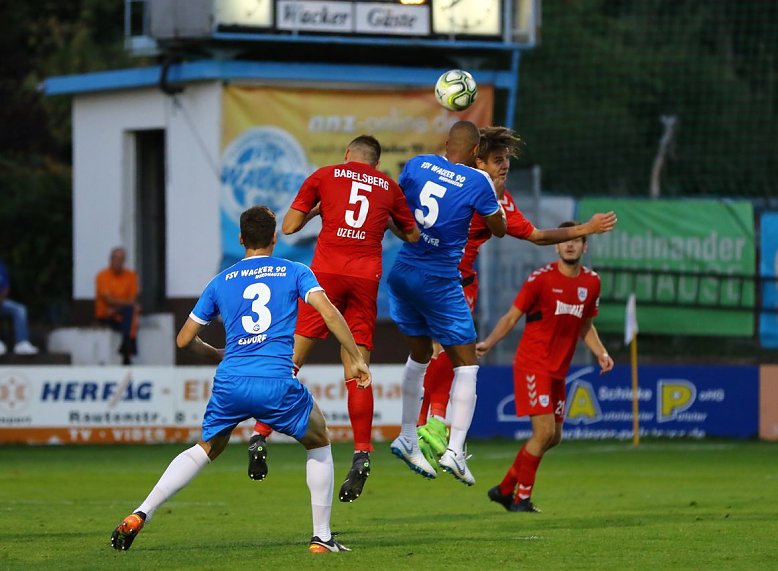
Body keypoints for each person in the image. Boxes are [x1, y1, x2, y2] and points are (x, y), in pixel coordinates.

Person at [110, 205, 370, 553]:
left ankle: (141, 512)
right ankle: (321, 537)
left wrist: (217, 354)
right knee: (319, 440)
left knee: (206, 448)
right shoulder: (294, 271)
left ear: (241, 238)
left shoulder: (221, 281)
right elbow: (329, 312)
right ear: (274, 237)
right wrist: (355, 357)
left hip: (231, 381)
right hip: (275, 381)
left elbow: (184, 340)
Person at [415, 126, 617, 462]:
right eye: (497, 160)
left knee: (444, 353)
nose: (505, 165)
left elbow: (536, 235)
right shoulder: (468, 184)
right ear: (479, 161)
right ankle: (431, 425)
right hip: (442, 276)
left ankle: (428, 428)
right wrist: (586, 228)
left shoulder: (499, 196)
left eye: (506, 159)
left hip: (456, 278)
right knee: (453, 352)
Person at [248, 135, 419, 502]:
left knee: (291, 361)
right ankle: (361, 454)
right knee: (357, 369)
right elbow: (413, 234)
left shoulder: (325, 175)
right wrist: (387, 221)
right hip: (364, 278)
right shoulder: (388, 187)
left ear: (347, 155)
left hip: (324, 276)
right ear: (375, 162)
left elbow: (290, 227)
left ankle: (260, 435)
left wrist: (319, 210)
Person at [387, 120, 507, 486]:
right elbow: (499, 228)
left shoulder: (417, 164)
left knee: (420, 355)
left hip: (403, 271)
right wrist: (494, 197)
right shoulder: (477, 181)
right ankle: (455, 449)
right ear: (475, 154)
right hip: (439, 279)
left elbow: (396, 214)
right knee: (467, 366)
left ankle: (408, 435)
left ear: (444, 143)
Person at [476, 221, 614, 512]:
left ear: (584, 246)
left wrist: (601, 352)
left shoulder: (592, 282)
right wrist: (489, 342)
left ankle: (503, 488)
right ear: (557, 245)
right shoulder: (540, 279)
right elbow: (512, 316)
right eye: (566, 240)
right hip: (532, 364)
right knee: (543, 433)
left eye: (577, 240)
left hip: (557, 371)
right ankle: (521, 498)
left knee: (554, 437)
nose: (570, 244)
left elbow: (586, 324)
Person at [95, 247, 140, 365]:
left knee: (131, 314)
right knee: (131, 314)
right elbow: (107, 299)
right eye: (115, 258)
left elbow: (132, 298)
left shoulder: (131, 276)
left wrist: (118, 306)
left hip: (121, 314)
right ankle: (128, 351)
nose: (118, 261)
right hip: (106, 315)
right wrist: (126, 304)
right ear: (111, 259)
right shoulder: (102, 276)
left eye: (121, 259)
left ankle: (126, 348)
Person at [0, 260, 39, 356]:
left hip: (1, 301)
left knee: (20, 309)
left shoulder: (1, 266)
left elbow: (5, 288)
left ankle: (22, 343)